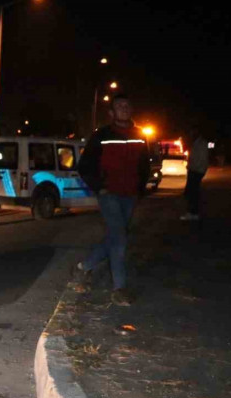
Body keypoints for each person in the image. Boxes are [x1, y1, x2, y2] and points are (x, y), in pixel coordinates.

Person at [72, 94, 150, 306]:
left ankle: (84, 267)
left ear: (131, 109)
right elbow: (84, 166)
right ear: (112, 112)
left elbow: (144, 166)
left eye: (126, 105)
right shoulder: (101, 135)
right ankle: (119, 288)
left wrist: (140, 189)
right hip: (109, 194)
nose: (123, 109)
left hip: (130, 195)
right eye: (119, 106)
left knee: (117, 237)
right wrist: (100, 187)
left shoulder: (140, 136)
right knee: (120, 239)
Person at [181, 127, 209, 220]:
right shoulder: (196, 143)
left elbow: (202, 159)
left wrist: (194, 167)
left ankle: (193, 212)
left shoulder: (201, 144)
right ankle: (192, 212)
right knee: (191, 191)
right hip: (195, 170)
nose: (190, 134)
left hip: (196, 170)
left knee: (193, 192)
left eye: (192, 132)